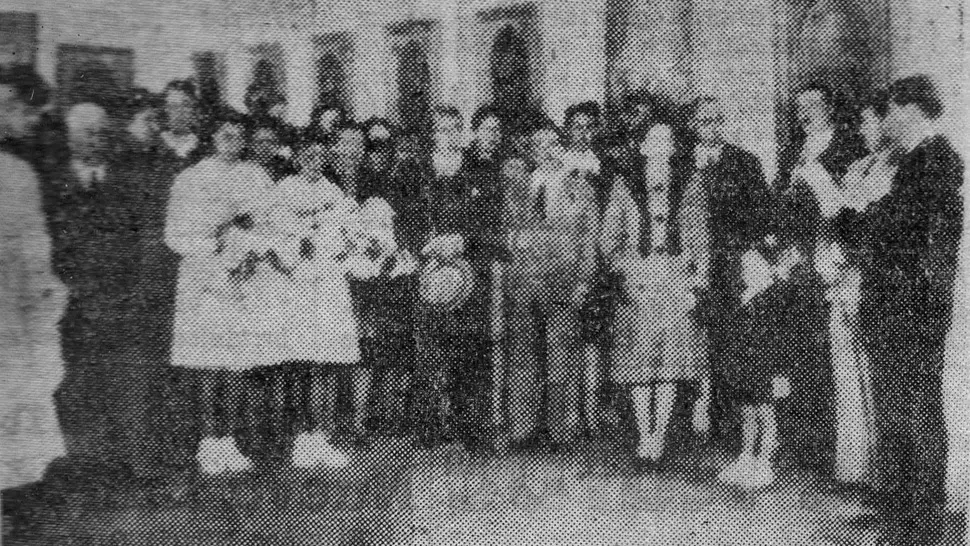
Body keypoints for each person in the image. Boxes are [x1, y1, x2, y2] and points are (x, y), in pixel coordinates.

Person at [836, 75, 963, 546]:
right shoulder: (921, 161)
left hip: (910, 311)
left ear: (909, 110)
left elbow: (891, 226)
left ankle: (916, 530)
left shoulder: (933, 160)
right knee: (902, 416)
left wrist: (844, 211)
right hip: (903, 308)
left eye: (889, 110)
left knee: (911, 417)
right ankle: (903, 525)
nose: (884, 120)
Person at [259, 138, 396, 468]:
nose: (313, 162)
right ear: (297, 158)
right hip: (296, 284)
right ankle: (299, 438)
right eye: (307, 155)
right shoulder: (284, 190)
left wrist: (364, 247)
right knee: (300, 361)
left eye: (320, 156)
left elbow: (351, 236)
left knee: (327, 359)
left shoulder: (333, 192)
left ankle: (319, 437)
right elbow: (276, 237)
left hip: (329, 285)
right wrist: (301, 245)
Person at [164, 111, 274, 474]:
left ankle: (229, 441)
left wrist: (247, 248)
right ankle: (209, 443)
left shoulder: (255, 176)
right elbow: (174, 236)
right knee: (209, 362)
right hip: (204, 281)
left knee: (237, 363)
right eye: (225, 134)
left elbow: (269, 225)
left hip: (244, 280)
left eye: (239, 136)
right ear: (211, 136)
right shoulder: (190, 179)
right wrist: (213, 243)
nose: (233, 141)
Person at [772, 83, 868, 473]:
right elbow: (781, 202)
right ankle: (801, 444)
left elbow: (846, 210)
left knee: (830, 353)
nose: (805, 114)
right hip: (797, 260)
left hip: (828, 258)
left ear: (829, 107)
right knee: (798, 350)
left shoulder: (848, 149)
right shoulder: (793, 152)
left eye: (813, 106)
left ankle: (832, 447)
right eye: (800, 108)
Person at [45, 102, 143, 478]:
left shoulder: (124, 183)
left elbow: (135, 243)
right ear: (70, 137)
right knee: (72, 385)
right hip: (68, 305)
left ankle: (111, 464)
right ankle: (75, 462)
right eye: (87, 132)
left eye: (102, 132)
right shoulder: (53, 184)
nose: (96, 139)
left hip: (116, 303)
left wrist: (123, 294)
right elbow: (49, 246)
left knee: (113, 383)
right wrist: (75, 289)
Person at [810, 91, 898, 497]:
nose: (863, 129)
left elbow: (869, 228)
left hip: (870, 283)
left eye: (868, 121)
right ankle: (855, 466)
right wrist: (827, 259)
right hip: (840, 284)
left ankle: (885, 473)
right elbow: (835, 223)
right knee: (846, 374)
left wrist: (847, 252)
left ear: (886, 122)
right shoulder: (859, 166)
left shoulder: (896, 170)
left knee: (876, 375)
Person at [503, 119, 597, 447]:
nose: (546, 151)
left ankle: (558, 430)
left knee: (561, 355)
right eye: (538, 145)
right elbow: (506, 231)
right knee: (524, 356)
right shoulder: (519, 187)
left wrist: (584, 280)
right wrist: (516, 242)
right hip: (525, 281)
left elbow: (589, 239)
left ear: (561, 148)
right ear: (531, 152)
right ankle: (523, 429)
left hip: (564, 281)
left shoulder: (580, 189)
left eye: (552, 144)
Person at [417, 105, 506, 450]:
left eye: (455, 128)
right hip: (429, 270)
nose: (449, 135)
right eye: (442, 129)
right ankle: (429, 427)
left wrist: (465, 241)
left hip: (470, 272)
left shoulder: (480, 171)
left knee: (470, 351)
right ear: (433, 134)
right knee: (430, 349)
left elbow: (493, 224)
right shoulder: (418, 171)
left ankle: (472, 428)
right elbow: (405, 216)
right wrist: (426, 244)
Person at [1, 67, 69, 489]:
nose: (32, 125)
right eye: (29, 115)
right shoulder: (15, 175)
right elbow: (32, 256)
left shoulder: (16, 171)